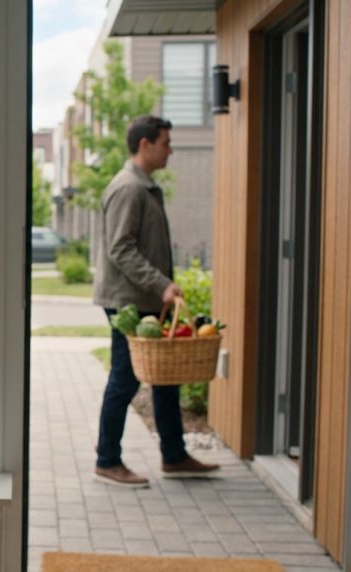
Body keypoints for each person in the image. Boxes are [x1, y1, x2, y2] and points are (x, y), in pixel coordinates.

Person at [92, 115, 220, 488]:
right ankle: (107, 460)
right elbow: (120, 249)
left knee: (166, 379)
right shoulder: (129, 188)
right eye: (166, 142)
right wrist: (161, 283)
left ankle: (175, 456)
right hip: (129, 303)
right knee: (124, 380)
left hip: (147, 298)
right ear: (145, 144)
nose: (170, 149)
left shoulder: (143, 186)